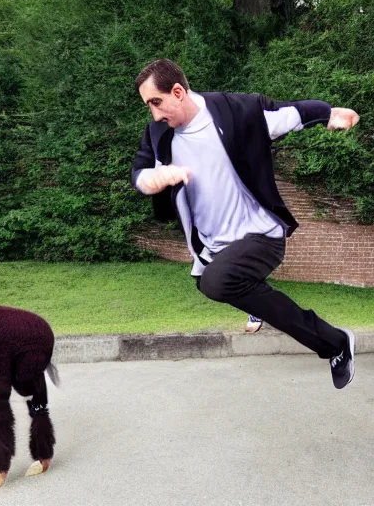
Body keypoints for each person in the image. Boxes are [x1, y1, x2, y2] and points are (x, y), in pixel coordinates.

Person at [131, 59, 359, 389]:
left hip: (261, 233)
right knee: (213, 282)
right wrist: (152, 178)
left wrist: (327, 113)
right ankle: (334, 342)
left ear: (178, 91)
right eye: (148, 106)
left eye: (156, 102)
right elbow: (139, 172)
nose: (154, 114)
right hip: (215, 247)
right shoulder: (158, 135)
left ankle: (322, 336)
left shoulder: (235, 112)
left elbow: (287, 113)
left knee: (216, 283)